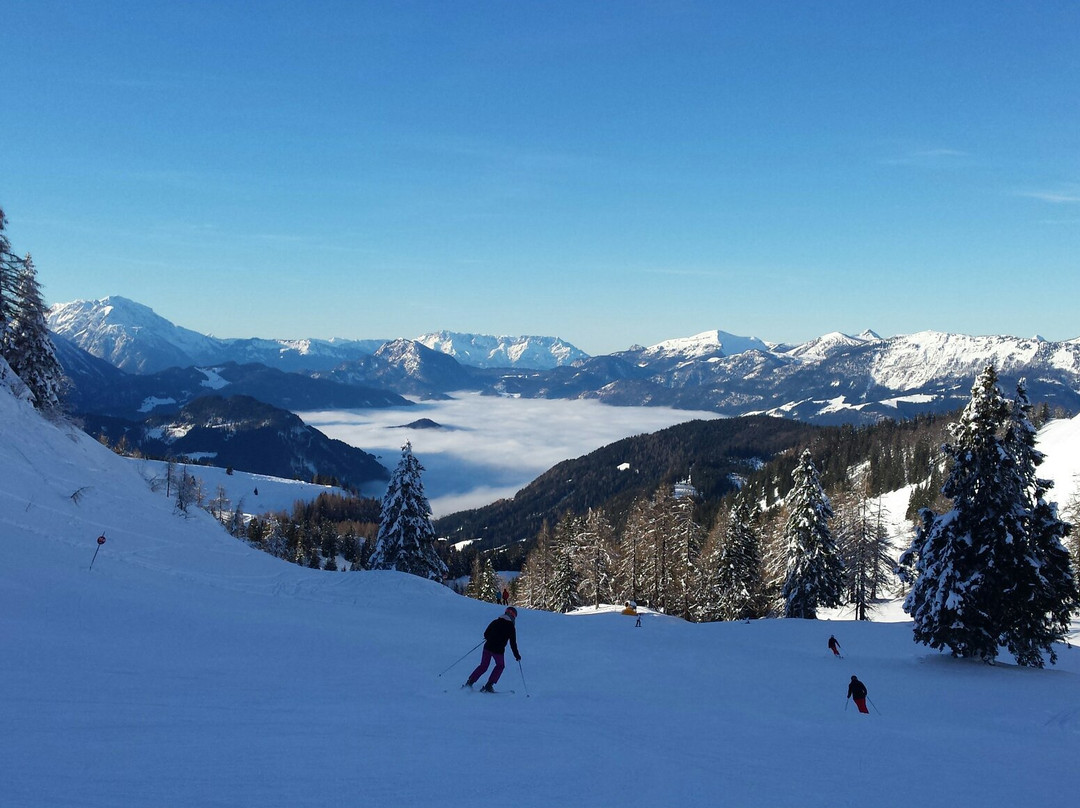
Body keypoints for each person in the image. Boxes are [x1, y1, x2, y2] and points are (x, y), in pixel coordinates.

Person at [464, 606, 521, 693]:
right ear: (513, 616)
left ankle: (470, 682)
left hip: (487, 647)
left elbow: (486, 634)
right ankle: (489, 685)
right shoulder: (511, 627)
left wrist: (490, 638)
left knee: (483, 666)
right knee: (500, 666)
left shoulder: (495, 621)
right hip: (498, 651)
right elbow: (513, 643)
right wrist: (517, 655)